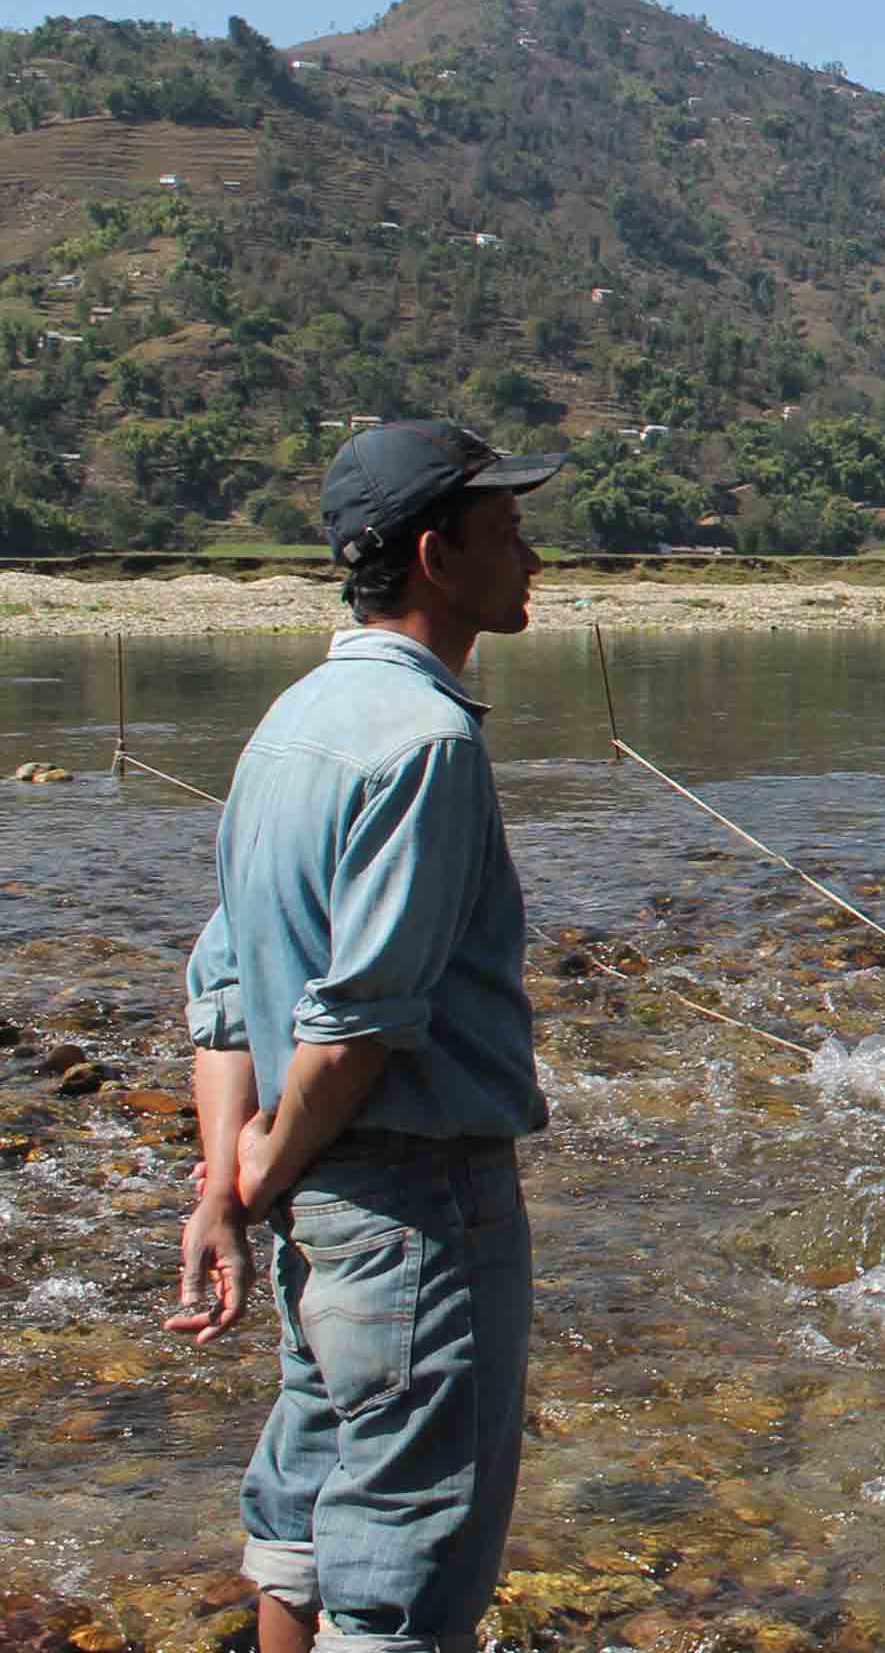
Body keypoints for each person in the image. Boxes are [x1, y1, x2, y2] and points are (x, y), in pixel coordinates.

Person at [167, 421, 561, 1653]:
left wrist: (230, 1185)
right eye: (507, 534)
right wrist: (268, 1165)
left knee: (305, 1506)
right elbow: (356, 1025)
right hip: (415, 1201)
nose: (532, 554)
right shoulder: (428, 743)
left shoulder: (290, 721)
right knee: (405, 1571)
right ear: (437, 556)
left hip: (318, 1194)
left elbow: (225, 987)